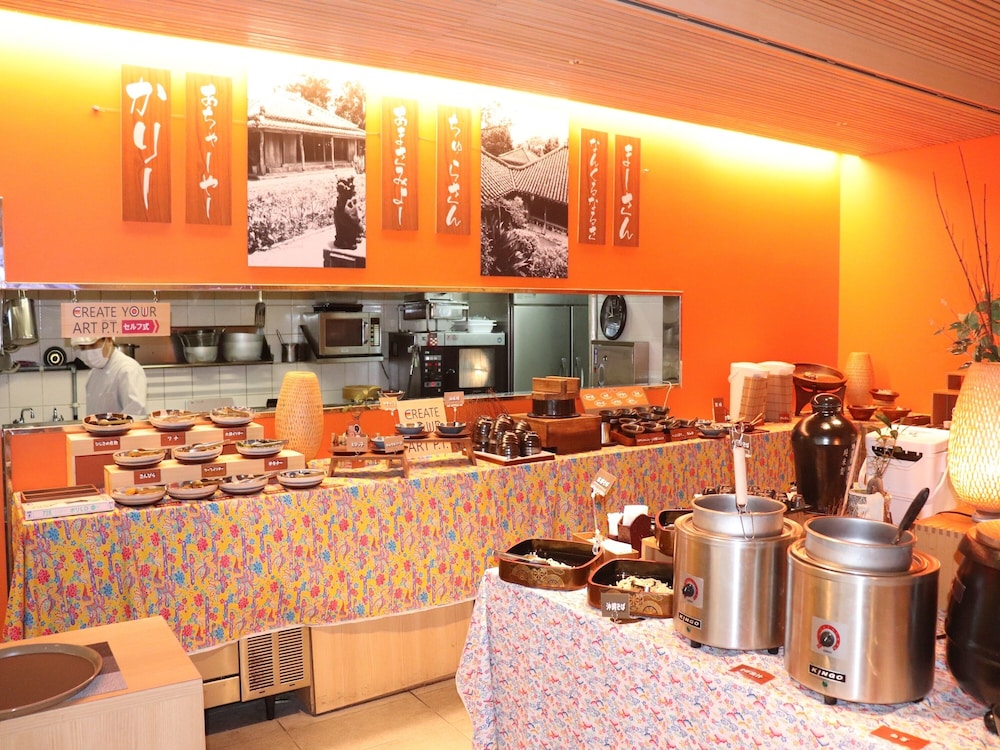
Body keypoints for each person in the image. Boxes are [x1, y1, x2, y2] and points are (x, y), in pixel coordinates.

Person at [71, 336, 148, 416]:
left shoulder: (128, 369)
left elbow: (135, 411)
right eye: (83, 348)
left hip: (121, 425)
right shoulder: (93, 373)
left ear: (109, 340)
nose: (88, 352)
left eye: (92, 345)